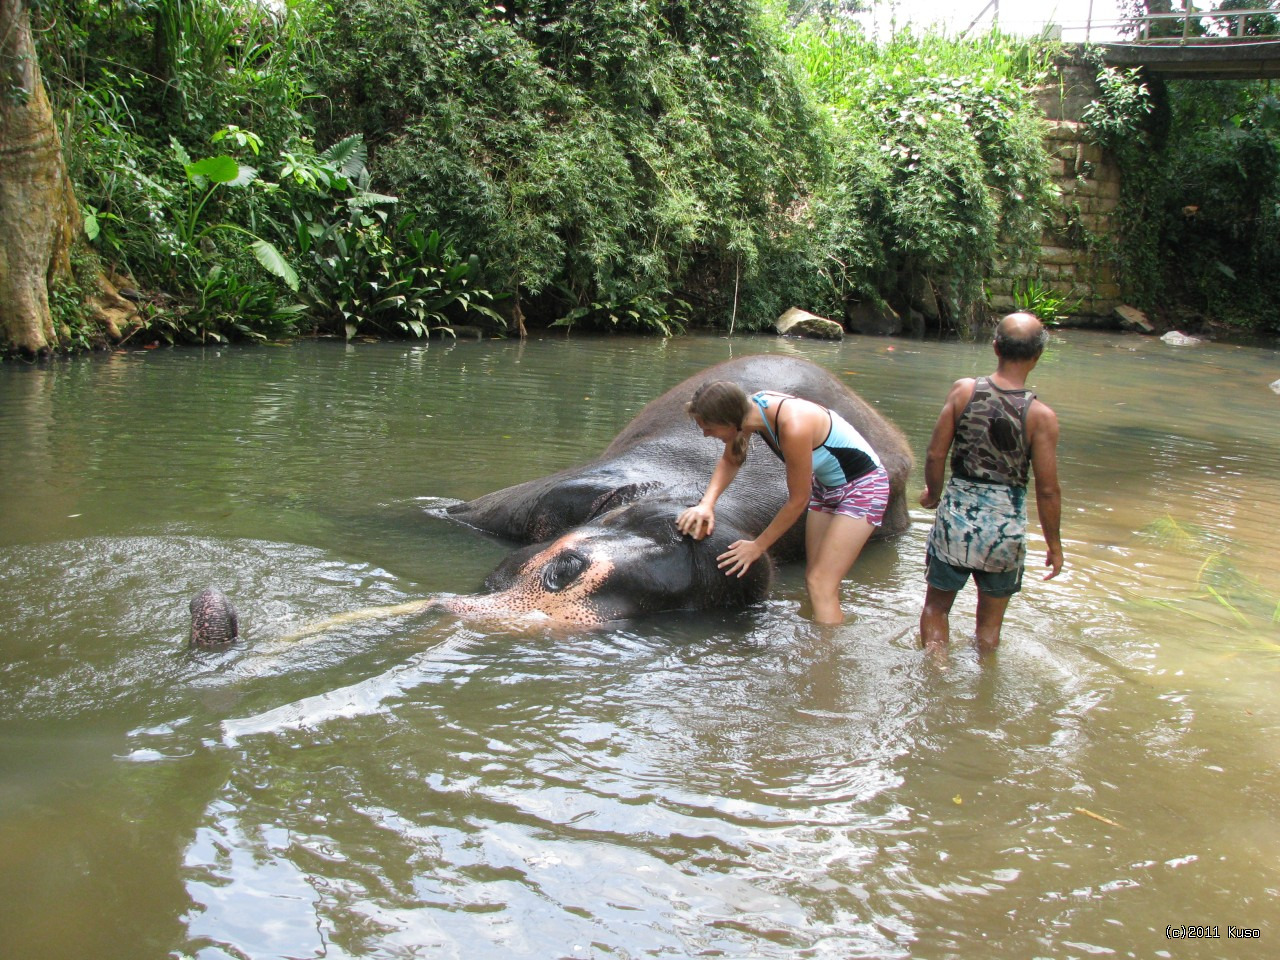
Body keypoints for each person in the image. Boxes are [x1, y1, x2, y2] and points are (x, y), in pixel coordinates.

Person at [675, 380, 890, 625]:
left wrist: (758, 546)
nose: (706, 434)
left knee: (821, 583)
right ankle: (818, 637)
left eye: (709, 428)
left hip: (865, 488)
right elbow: (732, 459)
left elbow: (798, 501)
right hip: (827, 487)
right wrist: (706, 504)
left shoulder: (793, 427)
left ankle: (828, 658)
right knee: (814, 577)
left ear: (730, 421)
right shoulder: (749, 411)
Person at [918, 311, 1063, 654]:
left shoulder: (964, 391)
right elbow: (1047, 490)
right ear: (1037, 356)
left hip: (956, 519)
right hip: (1004, 529)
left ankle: (936, 675)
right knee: (989, 628)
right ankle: (985, 690)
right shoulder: (1041, 417)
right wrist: (1054, 546)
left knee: (936, 608)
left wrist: (933, 494)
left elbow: (936, 455)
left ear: (995, 347)